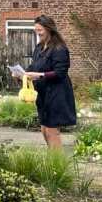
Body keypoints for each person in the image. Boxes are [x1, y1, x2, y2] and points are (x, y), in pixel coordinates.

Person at [24, 15, 77, 149]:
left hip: (56, 94)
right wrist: (23, 73)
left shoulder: (59, 49)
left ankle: (57, 164)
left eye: (40, 30)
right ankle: (53, 159)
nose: (37, 32)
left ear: (49, 29)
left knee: (52, 131)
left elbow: (60, 73)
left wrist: (39, 75)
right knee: (44, 129)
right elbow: (34, 66)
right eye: (36, 29)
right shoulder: (39, 47)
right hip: (42, 94)